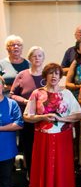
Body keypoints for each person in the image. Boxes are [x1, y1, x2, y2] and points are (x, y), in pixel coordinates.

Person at [24, 63, 81, 187]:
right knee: (45, 170)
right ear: (45, 76)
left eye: (57, 73)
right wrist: (42, 117)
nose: (54, 76)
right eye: (50, 73)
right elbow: (27, 116)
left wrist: (61, 118)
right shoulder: (37, 93)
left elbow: (78, 115)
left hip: (62, 137)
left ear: (60, 76)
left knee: (60, 170)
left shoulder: (67, 94)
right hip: (43, 136)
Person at [10, 46, 45, 174]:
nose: (37, 58)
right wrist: (25, 102)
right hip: (28, 118)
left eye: (40, 55)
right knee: (29, 148)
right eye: (34, 56)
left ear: (43, 58)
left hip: (44, 119)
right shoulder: (22, 75)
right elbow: (12, 94)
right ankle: (31, 177)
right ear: (29, 58)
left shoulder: (47, 74)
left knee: (43, 150)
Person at [0, 76, 24, 187]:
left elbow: (19, 123)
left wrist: (1, 128)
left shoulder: (11, 104)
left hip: (6, 152)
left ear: (3, 86)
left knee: (5, 183)